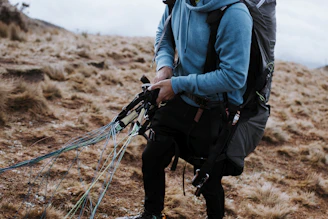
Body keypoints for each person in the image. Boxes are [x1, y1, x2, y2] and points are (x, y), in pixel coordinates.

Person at [120, 0, 252, 218]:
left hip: (214, 110)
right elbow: (164, 37)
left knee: (208, 179)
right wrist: (164, 68)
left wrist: (177, 84)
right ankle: (151, 215)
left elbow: (234, 76)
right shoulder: (177, 2)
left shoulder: (235, 14)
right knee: (152, 156)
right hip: (178, 97)